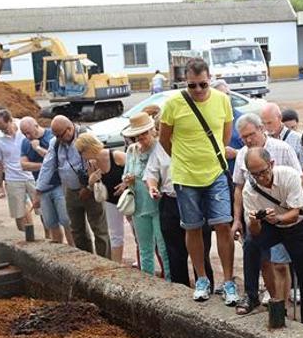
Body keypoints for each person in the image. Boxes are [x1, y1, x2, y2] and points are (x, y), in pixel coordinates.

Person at [159, 57, 239, 304]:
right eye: (192, 85)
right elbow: (164, 139)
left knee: (223, 225)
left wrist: (209, 158)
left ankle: (228, 282)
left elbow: (225, 136)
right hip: (185, 176)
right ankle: (202, 278)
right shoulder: (172, 104)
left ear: (210, 79)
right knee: (192, 226)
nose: (198, 90)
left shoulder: (223, 101)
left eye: (203, 85)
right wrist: (183, 161)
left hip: (215, 172)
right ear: (185, 82)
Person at [240, 147, 303, 325]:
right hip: (271, 226)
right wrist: (254, 221)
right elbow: (255, 233)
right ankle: (251, 294)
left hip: (296, 225)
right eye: (255, 174)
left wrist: (277, 218)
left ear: (272, 164)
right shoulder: (249, 190)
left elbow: (295, 212)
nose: (261, 178)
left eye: (263, 172)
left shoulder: (289, 175)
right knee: (251, 244)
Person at [231, 113, 301, 313]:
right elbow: (238, 187)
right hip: (257, 212)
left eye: (251, 134)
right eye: (243, 137)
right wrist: (238, 219)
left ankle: (282, 304)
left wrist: (283, 211)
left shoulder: (282, 148)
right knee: (256, 252)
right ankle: (260, 297)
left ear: (261, 129)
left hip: (286, 214)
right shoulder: (242, 156)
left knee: (280, 263)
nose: (248, 140)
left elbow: (299, 179)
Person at [143, 109, 216, 290]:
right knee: (175, 252)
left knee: (201, 250)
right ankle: (181, 290)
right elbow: (151, 172)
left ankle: (206, 286)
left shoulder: (193, 142)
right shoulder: (160, 147)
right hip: (170, 201)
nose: (162, 132)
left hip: (194, 199)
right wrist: (152, 186)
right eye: (160, 128)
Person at [36, 115, 110, 257]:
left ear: (69, 129)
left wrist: (87, 187)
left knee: (99, 229)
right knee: (77, 231)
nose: (58, 138)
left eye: (60, 135)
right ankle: (86, 261)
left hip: (90, 189)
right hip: (70, 190)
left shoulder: (86, 136)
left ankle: (105, 263)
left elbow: (98, 160)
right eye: (55, 135)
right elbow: (47, 166)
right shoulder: (56, 143)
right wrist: (38, 190)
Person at [120, 112, 170, 278]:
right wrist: (128, 179)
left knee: (163, 247)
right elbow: (126, 173)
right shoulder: (131, 150)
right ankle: (148, 280)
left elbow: (165, 175)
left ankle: (170, 280)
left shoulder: (160, 147)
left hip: (158, 204)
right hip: (139, 205)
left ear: (152, 131)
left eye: (144, 133)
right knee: (144, 247)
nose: (141, 137)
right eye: (137, 134)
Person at [19, 116, 72, 246]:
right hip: (42, 187)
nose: (27, 136)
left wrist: (38, 149)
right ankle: (59, 247)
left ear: (36, 126)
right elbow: (23, 165)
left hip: (58, 184)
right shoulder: (25, 142)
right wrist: (44, 166)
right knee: (50, 222)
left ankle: (74, 247)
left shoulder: (52, 137)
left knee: (66, 220)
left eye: (29, 132)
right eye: (24, 134)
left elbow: (55, 160)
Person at [74, 133, 127, 263]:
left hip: (128, 197)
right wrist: (91, 182)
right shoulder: (91, 164)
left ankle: (142, 263)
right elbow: (93, 188)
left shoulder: (115, 155)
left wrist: (125, 184)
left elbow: (135, 169)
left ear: (88, 149)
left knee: (138, 234)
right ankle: (117, 265)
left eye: (81, 152)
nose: (81, 155)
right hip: (110, 200)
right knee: (115, 234)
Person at [0, 108, 35, 231]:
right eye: (0, 128)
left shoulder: (25, 129)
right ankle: (25, 238)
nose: (3, 131)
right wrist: (0, 186)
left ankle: (49, 238)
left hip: (33, 176)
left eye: (4, 127)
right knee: (18, 213)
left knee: (43, 211)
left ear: (10, 120)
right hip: (13, 179)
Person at [261, 102, 303, 180]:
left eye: (269, 123)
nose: (267, 127)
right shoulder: (263, 140)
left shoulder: (298, 139)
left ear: (279, 118)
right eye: (264, 123)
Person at [210, 79, 243, 176]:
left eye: (227, 94)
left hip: (238, 175)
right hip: (215, 177)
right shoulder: (207, 121)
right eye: (221, 95)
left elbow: (257, 149)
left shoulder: (242, 119)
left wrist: (236, 153)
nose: (226, 98)